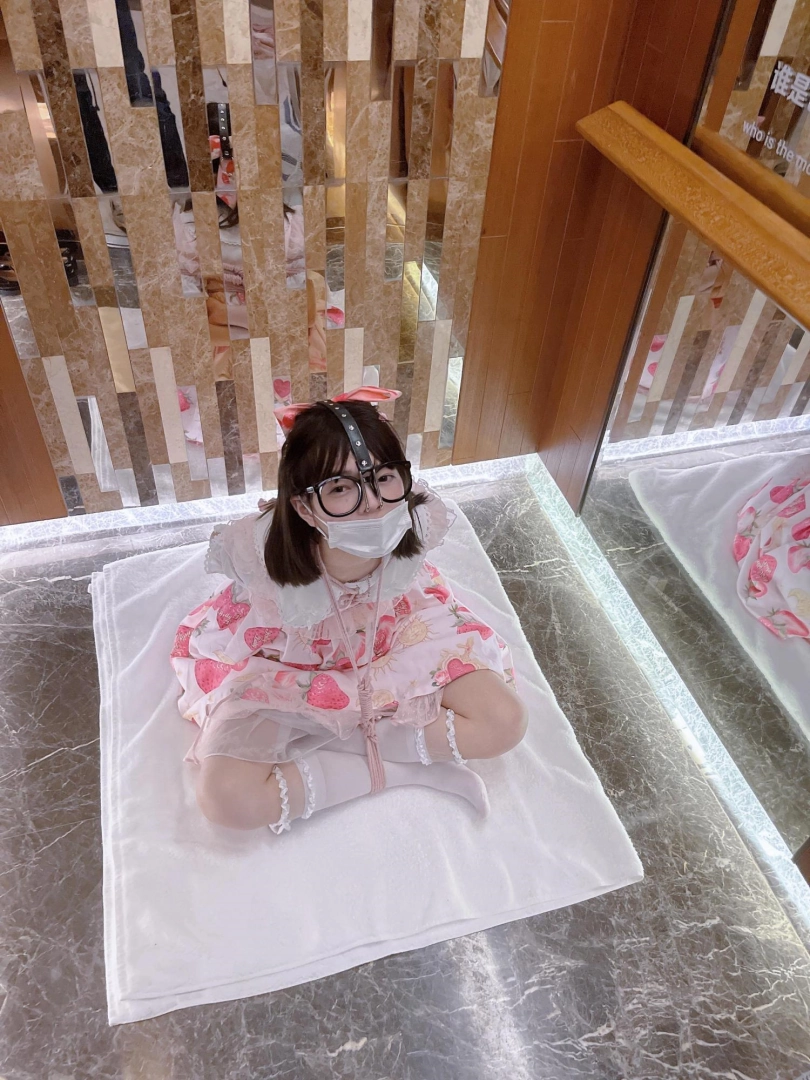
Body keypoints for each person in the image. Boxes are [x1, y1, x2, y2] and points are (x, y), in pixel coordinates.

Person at [170, 387, 528, 833]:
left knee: (505, 722)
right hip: (288, 657)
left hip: (395, 628)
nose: (373, 502)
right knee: (228, 801)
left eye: (383, 477)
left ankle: (353, 746)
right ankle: (396, 768)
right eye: (341, 487)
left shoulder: (415, 518)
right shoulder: (259, 554)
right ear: (303, 506)